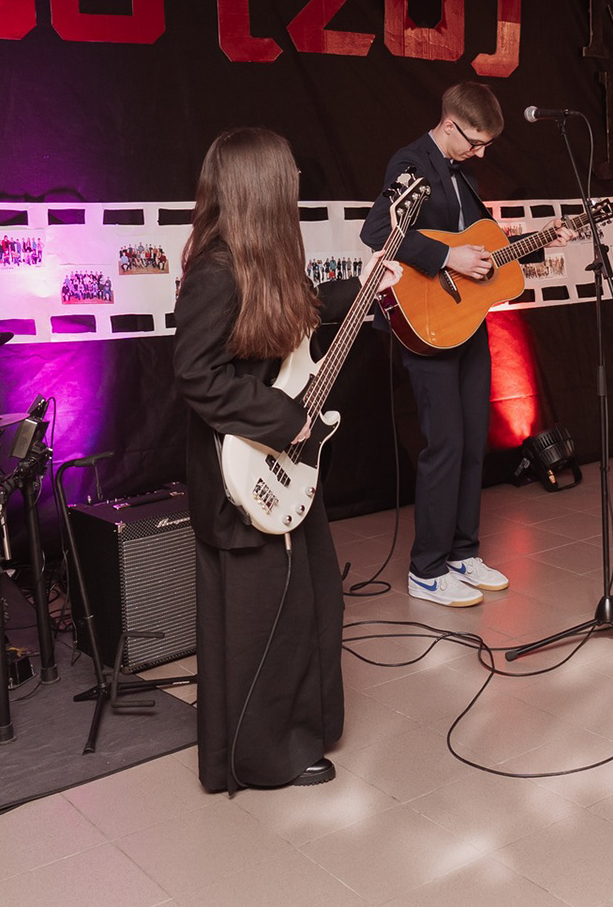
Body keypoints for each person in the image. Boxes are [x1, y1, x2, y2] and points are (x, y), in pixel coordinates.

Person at [173, 127, 397, 793]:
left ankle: (303, 729)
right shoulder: (215, 271)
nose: (298, 179)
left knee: (313, 602)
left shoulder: (263, 258)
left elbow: (296, 313)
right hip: (241, 472)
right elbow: (197, 375)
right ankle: (261, 757)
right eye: (290, 172)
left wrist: (363, 287)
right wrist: (287, 419)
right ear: (265, 186)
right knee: (260, 622)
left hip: (284, 462)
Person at [362, 82, 570, 608]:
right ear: (449, 125)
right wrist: (447, 258)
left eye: (486, 145)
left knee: (474, 439)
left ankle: (462, 553)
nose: (480, 154)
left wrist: (544, 239)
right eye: (475, 143)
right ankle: (427, 569)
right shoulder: (410, 163)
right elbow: (377, 230)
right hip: (426, 323)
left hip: (466, 323)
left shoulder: (464, 172)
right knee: (446, 445)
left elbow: (484, 248)